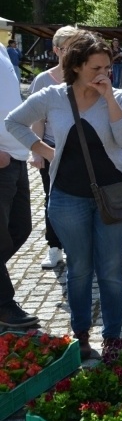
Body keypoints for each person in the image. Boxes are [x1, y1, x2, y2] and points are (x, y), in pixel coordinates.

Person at [6, 33, 122, 358]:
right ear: (77, 66)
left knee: (110, 270)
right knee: (79, 269)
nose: (103, 74)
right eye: (96, 67)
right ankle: (81, 338)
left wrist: (108, 100)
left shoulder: (119, 97)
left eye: (107, 67)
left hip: (114, 196)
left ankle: (113, 339)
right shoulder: (53, 96)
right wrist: (45, 151)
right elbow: (14, 122)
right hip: (67, 199)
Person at [28, 26, 83, 270]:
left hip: (80, 148)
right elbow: (36, 118)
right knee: (53, 197)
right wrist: (36, 151)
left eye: (76, 47)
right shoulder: (43, 80)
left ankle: (76, 246)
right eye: (67, 48)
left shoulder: (85, 75)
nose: (72, 52)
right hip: (51, 146)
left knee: (81, 197)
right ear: (56, 50)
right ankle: (54, 246)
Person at [0, 43, 38, 329]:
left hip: (16, 156)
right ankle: (3, 305)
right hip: (1, 158)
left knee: (20, 228)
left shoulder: (2, 49)